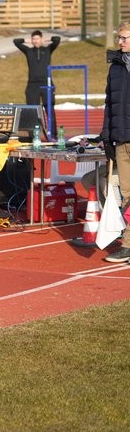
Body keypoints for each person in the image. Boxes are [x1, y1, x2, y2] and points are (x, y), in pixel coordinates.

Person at [100, 21, 130, 263]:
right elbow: (109, 105)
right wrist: (106, 137)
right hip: (121, 139)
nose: (119, 42)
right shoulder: (116, 68)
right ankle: (128, 244)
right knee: (128, 193)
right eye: (119, 38)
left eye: (124, 38)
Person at [13, 30, 61, 132]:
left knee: (49, 110)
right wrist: (29, 41)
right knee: (32, 111)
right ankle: (33, 136)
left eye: (37, 38)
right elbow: (16, 41)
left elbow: (57, 39)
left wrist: (45, 40)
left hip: (46, 84)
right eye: (33, 39)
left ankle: (53, 135)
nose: (35, 41)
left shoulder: (48, 49)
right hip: (32, 85)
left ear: (41, 39)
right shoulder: (29, 51)